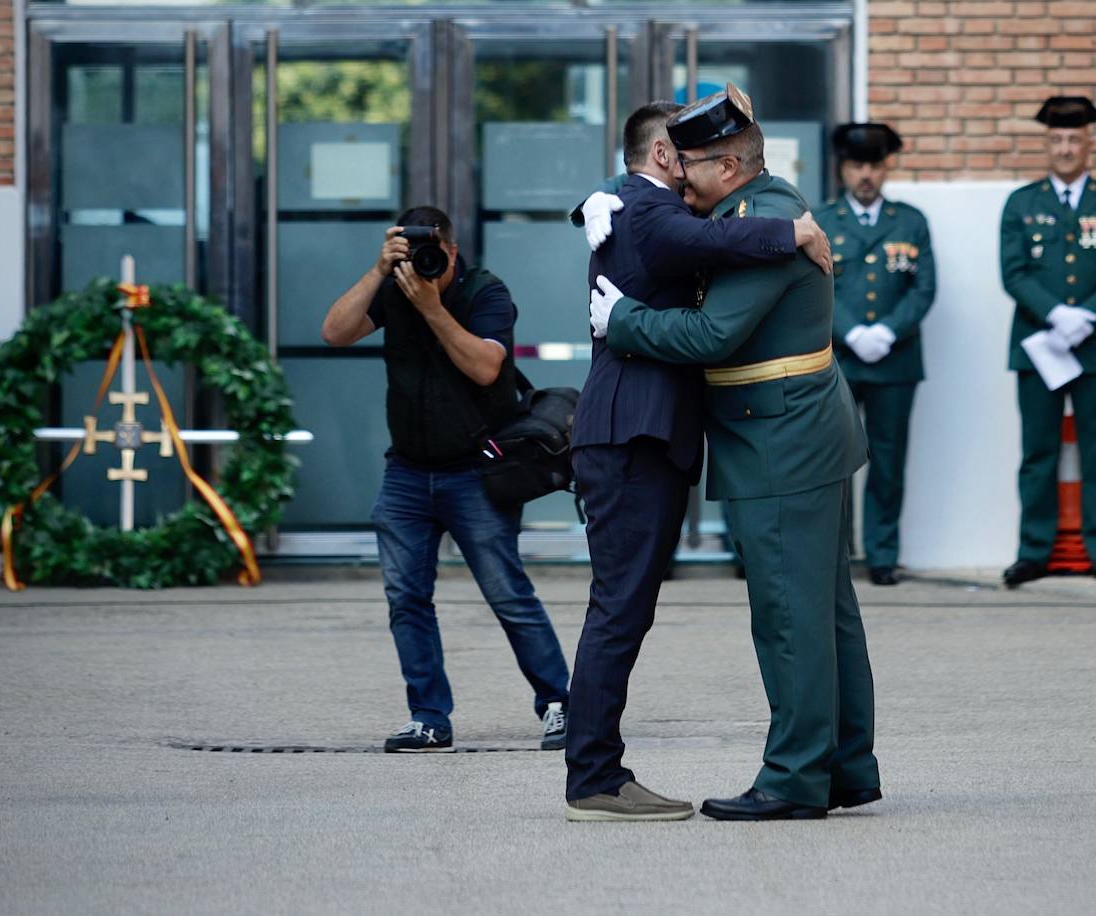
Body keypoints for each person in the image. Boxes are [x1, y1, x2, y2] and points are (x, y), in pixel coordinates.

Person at [591, 86, 882, 821]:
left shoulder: (763, 221)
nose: (678, 177)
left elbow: (708, 337)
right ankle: (844, 765)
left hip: (779, 440)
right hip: (793, 432)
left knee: (790, 614)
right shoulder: (757, 212)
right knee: (824, 611)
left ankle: (793, 779)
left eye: (687, 165)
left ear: (727, 164)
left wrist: (621, 318)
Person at [321, 206, 571, 753]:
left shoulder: (486, 292)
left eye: (434, 254)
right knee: (406, 597)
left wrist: (432, 309)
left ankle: (560, 704)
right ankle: (429, 716)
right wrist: (376, 271)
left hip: (475, 471)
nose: (425, 265)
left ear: (453, 252)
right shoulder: (391, 286)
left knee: (507, 592)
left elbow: (486, 366)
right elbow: (335, 331)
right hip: (407, 470)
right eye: (411, 255)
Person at [999, 96, 1096, 589]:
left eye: (1074, 139)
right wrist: (1056, 314)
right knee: (1039, 452)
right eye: (1056, 139)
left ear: (1089, 143)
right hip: (1038, 346)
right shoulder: (1022, 202)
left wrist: (1087, 317)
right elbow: (1013, 273)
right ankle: (1033, 552)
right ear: (1046, 144)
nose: (1065, 148)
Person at [817, 122, 936, 586]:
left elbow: (924, 288)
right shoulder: (823, 220)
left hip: (896, 359)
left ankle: (883, 555)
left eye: (873, 165)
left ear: (886, 167)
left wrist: (887, 329)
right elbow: (813, 285)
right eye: (855, 165)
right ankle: (836, 555)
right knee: (834, 461)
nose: (865, 174)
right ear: (842, 169)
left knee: (889, 460)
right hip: (839, 360)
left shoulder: (911, 222)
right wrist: (851, 331)